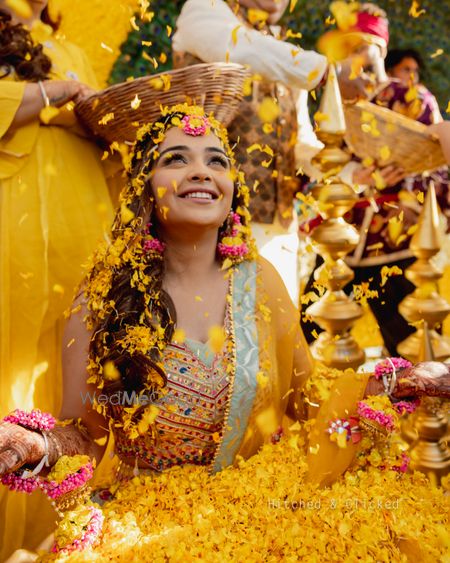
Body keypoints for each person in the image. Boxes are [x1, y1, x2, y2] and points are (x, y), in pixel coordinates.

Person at [0, 104, 449, 559]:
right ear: (143, 187)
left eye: (216, 160)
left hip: (266, 513)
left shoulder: (261, 282)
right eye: (176, 159)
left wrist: (394, 381)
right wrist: (39, 445)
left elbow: (307, 398)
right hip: (147, 525)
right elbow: (86, 433)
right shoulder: (102, 298)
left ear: (232, 188)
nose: (201, 172)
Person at [0, 1, 113, 557]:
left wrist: (99, 112)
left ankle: (66, 522)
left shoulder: (70, 47)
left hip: (81, 216)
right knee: (10, 351)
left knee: (75, 351)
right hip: (10, 220)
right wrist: (52, 93)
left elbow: (102, 124)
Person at [172, 0, 372, 304]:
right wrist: (325, 71)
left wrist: (349, 171)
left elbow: (300, 143)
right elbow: (241, 48)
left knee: (276, 337)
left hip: (277, 228)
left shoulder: (284, 53)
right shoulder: (203, 11)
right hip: (211, 224)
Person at [300, 3, 450, 355]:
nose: (353, 55)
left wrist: (413, 193)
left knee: (412, 344)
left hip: (396, 240)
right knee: (306, 327)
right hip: (344, 239)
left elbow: (438, 162)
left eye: (361, 45)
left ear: (380, 48)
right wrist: (357, 177)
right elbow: (322, 166)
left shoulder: (413, 97)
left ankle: (421, 410)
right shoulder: (339, 108)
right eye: (346, 47)